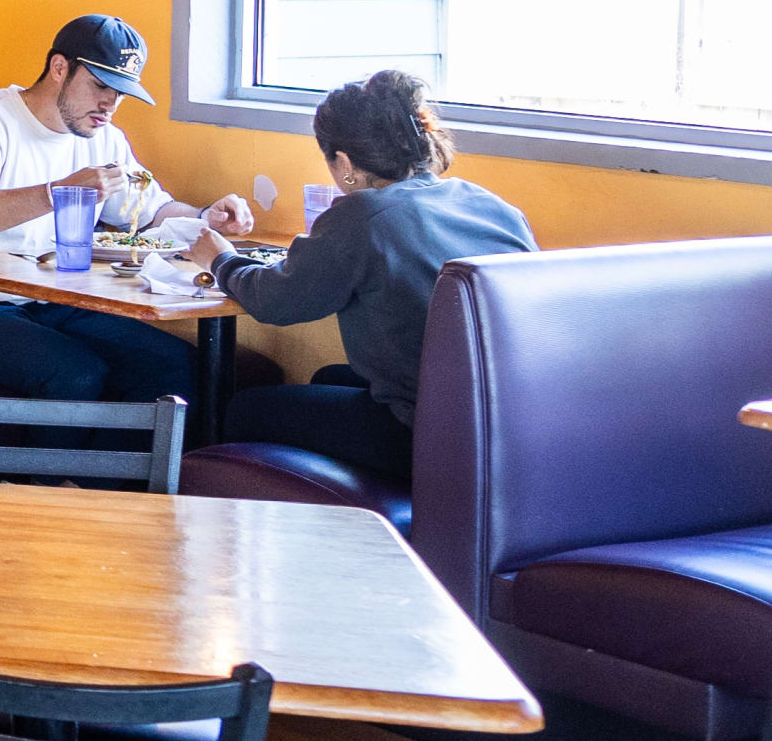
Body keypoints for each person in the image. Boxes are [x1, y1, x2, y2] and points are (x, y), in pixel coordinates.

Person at [185, 71, 534, 482]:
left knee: (246, 408)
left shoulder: (365, 214)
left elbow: (274, 301)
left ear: (346, 162)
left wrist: (220, 260)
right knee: (331, 378)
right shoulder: (488, 203)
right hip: (511, 426)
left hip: (427, 435)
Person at [0, 15, 253, 405]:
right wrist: (59, 192)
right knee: (75, 374)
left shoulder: (103, 137)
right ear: (59, 68)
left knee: (175, 367)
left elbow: (153, 211)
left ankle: (127, 468)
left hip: (52, 301)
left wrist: (204, 217)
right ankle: (45, 471)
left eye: (121, 93)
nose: (110, 104)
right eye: (100, 85)